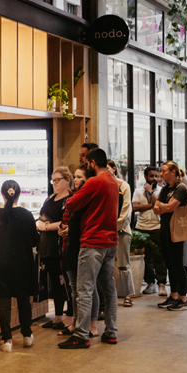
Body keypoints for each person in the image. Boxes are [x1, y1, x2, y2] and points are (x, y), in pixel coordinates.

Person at [58, 149, 120, 348]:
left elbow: (71, 204)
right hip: (110, 242)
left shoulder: (94, 182)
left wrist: (74, 195)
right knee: (109, 290)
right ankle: (111, 332)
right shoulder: (112, 181)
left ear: (93, 163)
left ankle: (81, 335)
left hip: (92, 242)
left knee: (85, 290)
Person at [0, 180, 39, 352]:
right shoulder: (26, 215)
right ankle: (27, 335)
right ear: (19, 194)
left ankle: (7, 340)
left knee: (3, 301)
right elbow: (34, 241)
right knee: (23, 300)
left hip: (0, 264)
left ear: (2, 194)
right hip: (22, 264)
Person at [58, 167, 95, 337]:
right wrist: (63, 228)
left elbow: (85, 223)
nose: (77, 179)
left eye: (80, 177)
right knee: (74, 288)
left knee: (86, 289)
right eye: (75, 176)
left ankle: (90, 325)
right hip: (69, 246)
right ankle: (75, 322)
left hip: (83, 246)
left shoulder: (87, 197)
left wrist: (70, 230)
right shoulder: (72, 197)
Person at [153, 161, 187, 311]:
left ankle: (183, 299)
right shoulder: (165, 189)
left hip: (176, 230)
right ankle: (174, 295)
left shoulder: (180, 188)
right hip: (164, 229)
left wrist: (163, 206)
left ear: (173, 172)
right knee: (169, 263)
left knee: (177, 264)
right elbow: (156, 209)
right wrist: (164, 207)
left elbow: (170, 207)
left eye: (164, 171)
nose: (161, 174)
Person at [38, 167, 73, 329]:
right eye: (53, 180)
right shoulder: (50, 198)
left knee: (65, 281)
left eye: (58, 180)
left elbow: (66, 222)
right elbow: (40, 218)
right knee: (53, 280)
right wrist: (42, 225)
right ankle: (58, 314)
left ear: (68, 180)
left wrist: (46, 226)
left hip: (61, 245)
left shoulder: (70, 199)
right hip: (47, 245)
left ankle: (70, 315)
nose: (55, 183)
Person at [134, 167, 166, 296]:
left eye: (156, 176)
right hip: (141, 228)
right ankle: (150, 283)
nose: (154, 178)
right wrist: (151, 206)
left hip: (157, 227)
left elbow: (161, 205)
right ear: (146, 176)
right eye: (152, 176)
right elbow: (135, 207)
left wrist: (151, 193)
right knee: (146, 258)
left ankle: (162, 283)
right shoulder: (138, 191)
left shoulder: (160, 191)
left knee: (160, 257)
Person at [107, 160, 134, 307]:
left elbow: (126, 210)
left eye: (108, 168)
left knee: (123, 264)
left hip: (122, 230)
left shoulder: (123, 186)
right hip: (107, 230)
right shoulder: (103, 185)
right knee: (107, 265)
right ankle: (110, 296)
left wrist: (115, 227)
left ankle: (127, 295)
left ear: (114, 169)